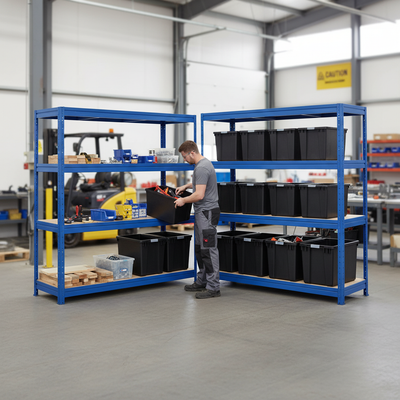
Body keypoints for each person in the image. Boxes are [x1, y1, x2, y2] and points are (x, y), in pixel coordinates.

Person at [174, 140, 221, 299]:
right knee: (200, 249)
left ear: (192, 153)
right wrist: (187, 186)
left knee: (208, 249)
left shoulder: (201, 167)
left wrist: (183, 200)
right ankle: (202, 281)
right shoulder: (202, 165)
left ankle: (213, 287)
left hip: (207, 213)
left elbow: (199, 195)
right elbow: (200, 184)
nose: (185, 160)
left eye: (185, 157)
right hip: (202, 213)